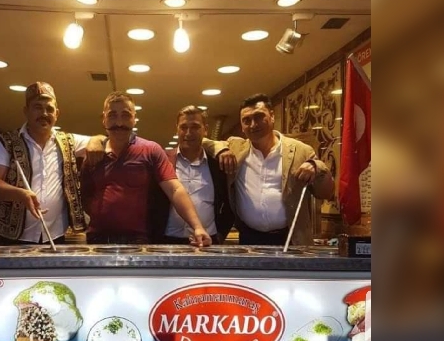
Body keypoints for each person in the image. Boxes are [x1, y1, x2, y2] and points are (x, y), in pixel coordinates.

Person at [80, 92, 212, 246]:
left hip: (138, 240)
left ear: (134, 119)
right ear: (104, 119)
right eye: (112, 115)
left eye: (125, 115)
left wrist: (197, 227)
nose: (119, 122)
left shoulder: (151, 150)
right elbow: (85, 196)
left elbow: (175, 189)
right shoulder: (93, 154)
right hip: (97, 239)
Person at [204, 93, 334, 245]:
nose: (253, 124)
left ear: (272, 116)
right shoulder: (236, 148)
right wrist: (221, 150)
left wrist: (317, 167)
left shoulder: (301, 151)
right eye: (246, 120)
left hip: (291, 239)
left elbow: (327, 193)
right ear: (242, 126)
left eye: (259, 117)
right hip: (249, 238)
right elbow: (202, 141)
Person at [0, 82, 105, 245]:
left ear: (57, 113)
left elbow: (102, 139)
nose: (44, 113)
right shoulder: (6, 142)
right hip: (12, 238)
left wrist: (96, 141)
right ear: (26, 111)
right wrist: (20, 194)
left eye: (49, 109)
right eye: (37, 107)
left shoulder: (68, 141)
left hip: (55, 236)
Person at [153, 106, 234, 245]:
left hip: (207, 241)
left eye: (195, 127)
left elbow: (230, 203)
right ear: (177, 129)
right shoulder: (163, 161)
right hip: (167, 242)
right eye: (183, 127)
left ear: (205, 129)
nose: (188, 133)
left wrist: (220, 235)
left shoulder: (218, 165)